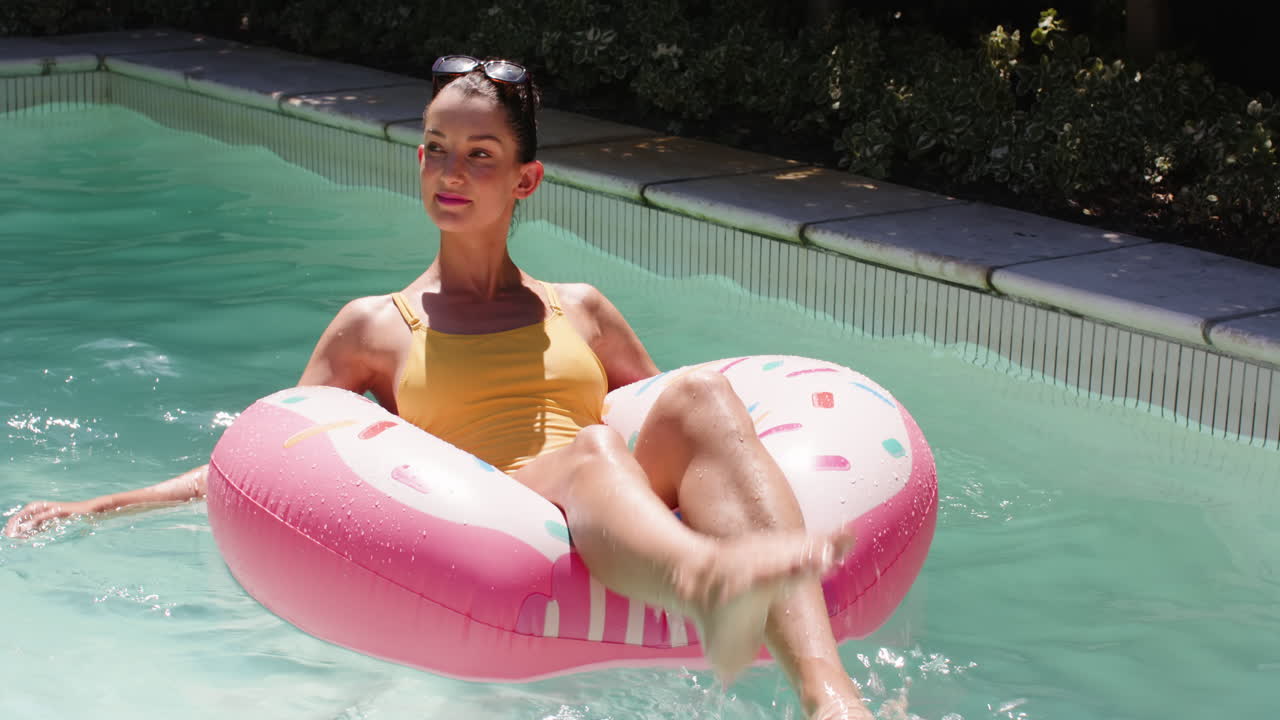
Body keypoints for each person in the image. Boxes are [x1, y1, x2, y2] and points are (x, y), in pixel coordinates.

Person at [5, 56, 872, 720]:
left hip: (609, 490)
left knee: (704, 398)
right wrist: (100, 507)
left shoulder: (585, 309)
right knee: (592, 448)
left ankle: (829, 694)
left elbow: (674, 435)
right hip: (508, 507)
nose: (449, 171)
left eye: (479, 155)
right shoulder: (374, 328)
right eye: (435, 149)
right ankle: (708, 581)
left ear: (525, 180)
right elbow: (265, 457)